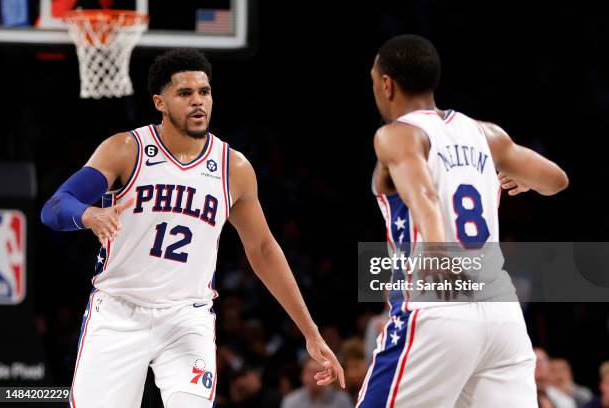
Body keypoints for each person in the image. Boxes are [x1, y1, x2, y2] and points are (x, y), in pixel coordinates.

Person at [41, 48, 344, 408]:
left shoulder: (234, 168)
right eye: (185, 94)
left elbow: (263, 250)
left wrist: (311, 333)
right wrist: (89, 215)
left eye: (205, 92)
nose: (198, 101)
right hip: (119, 311)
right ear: (160, 102)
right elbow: (55, 206)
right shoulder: (127, 150)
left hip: (187, 317)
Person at [357, 34, 569, 407]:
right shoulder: (487, 134)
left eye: (374, 80)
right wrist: (523, 180)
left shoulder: (397, 135)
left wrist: (439, 254)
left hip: (438, 305)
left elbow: (422, 194)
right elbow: (556, 181)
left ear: (386, 84)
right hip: (503, 315)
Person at [282, 357, 353, 408]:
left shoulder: (342, 399)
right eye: (310, 372)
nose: (314, 377)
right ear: (302, 375)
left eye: (319, 372)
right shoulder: (291, 400)